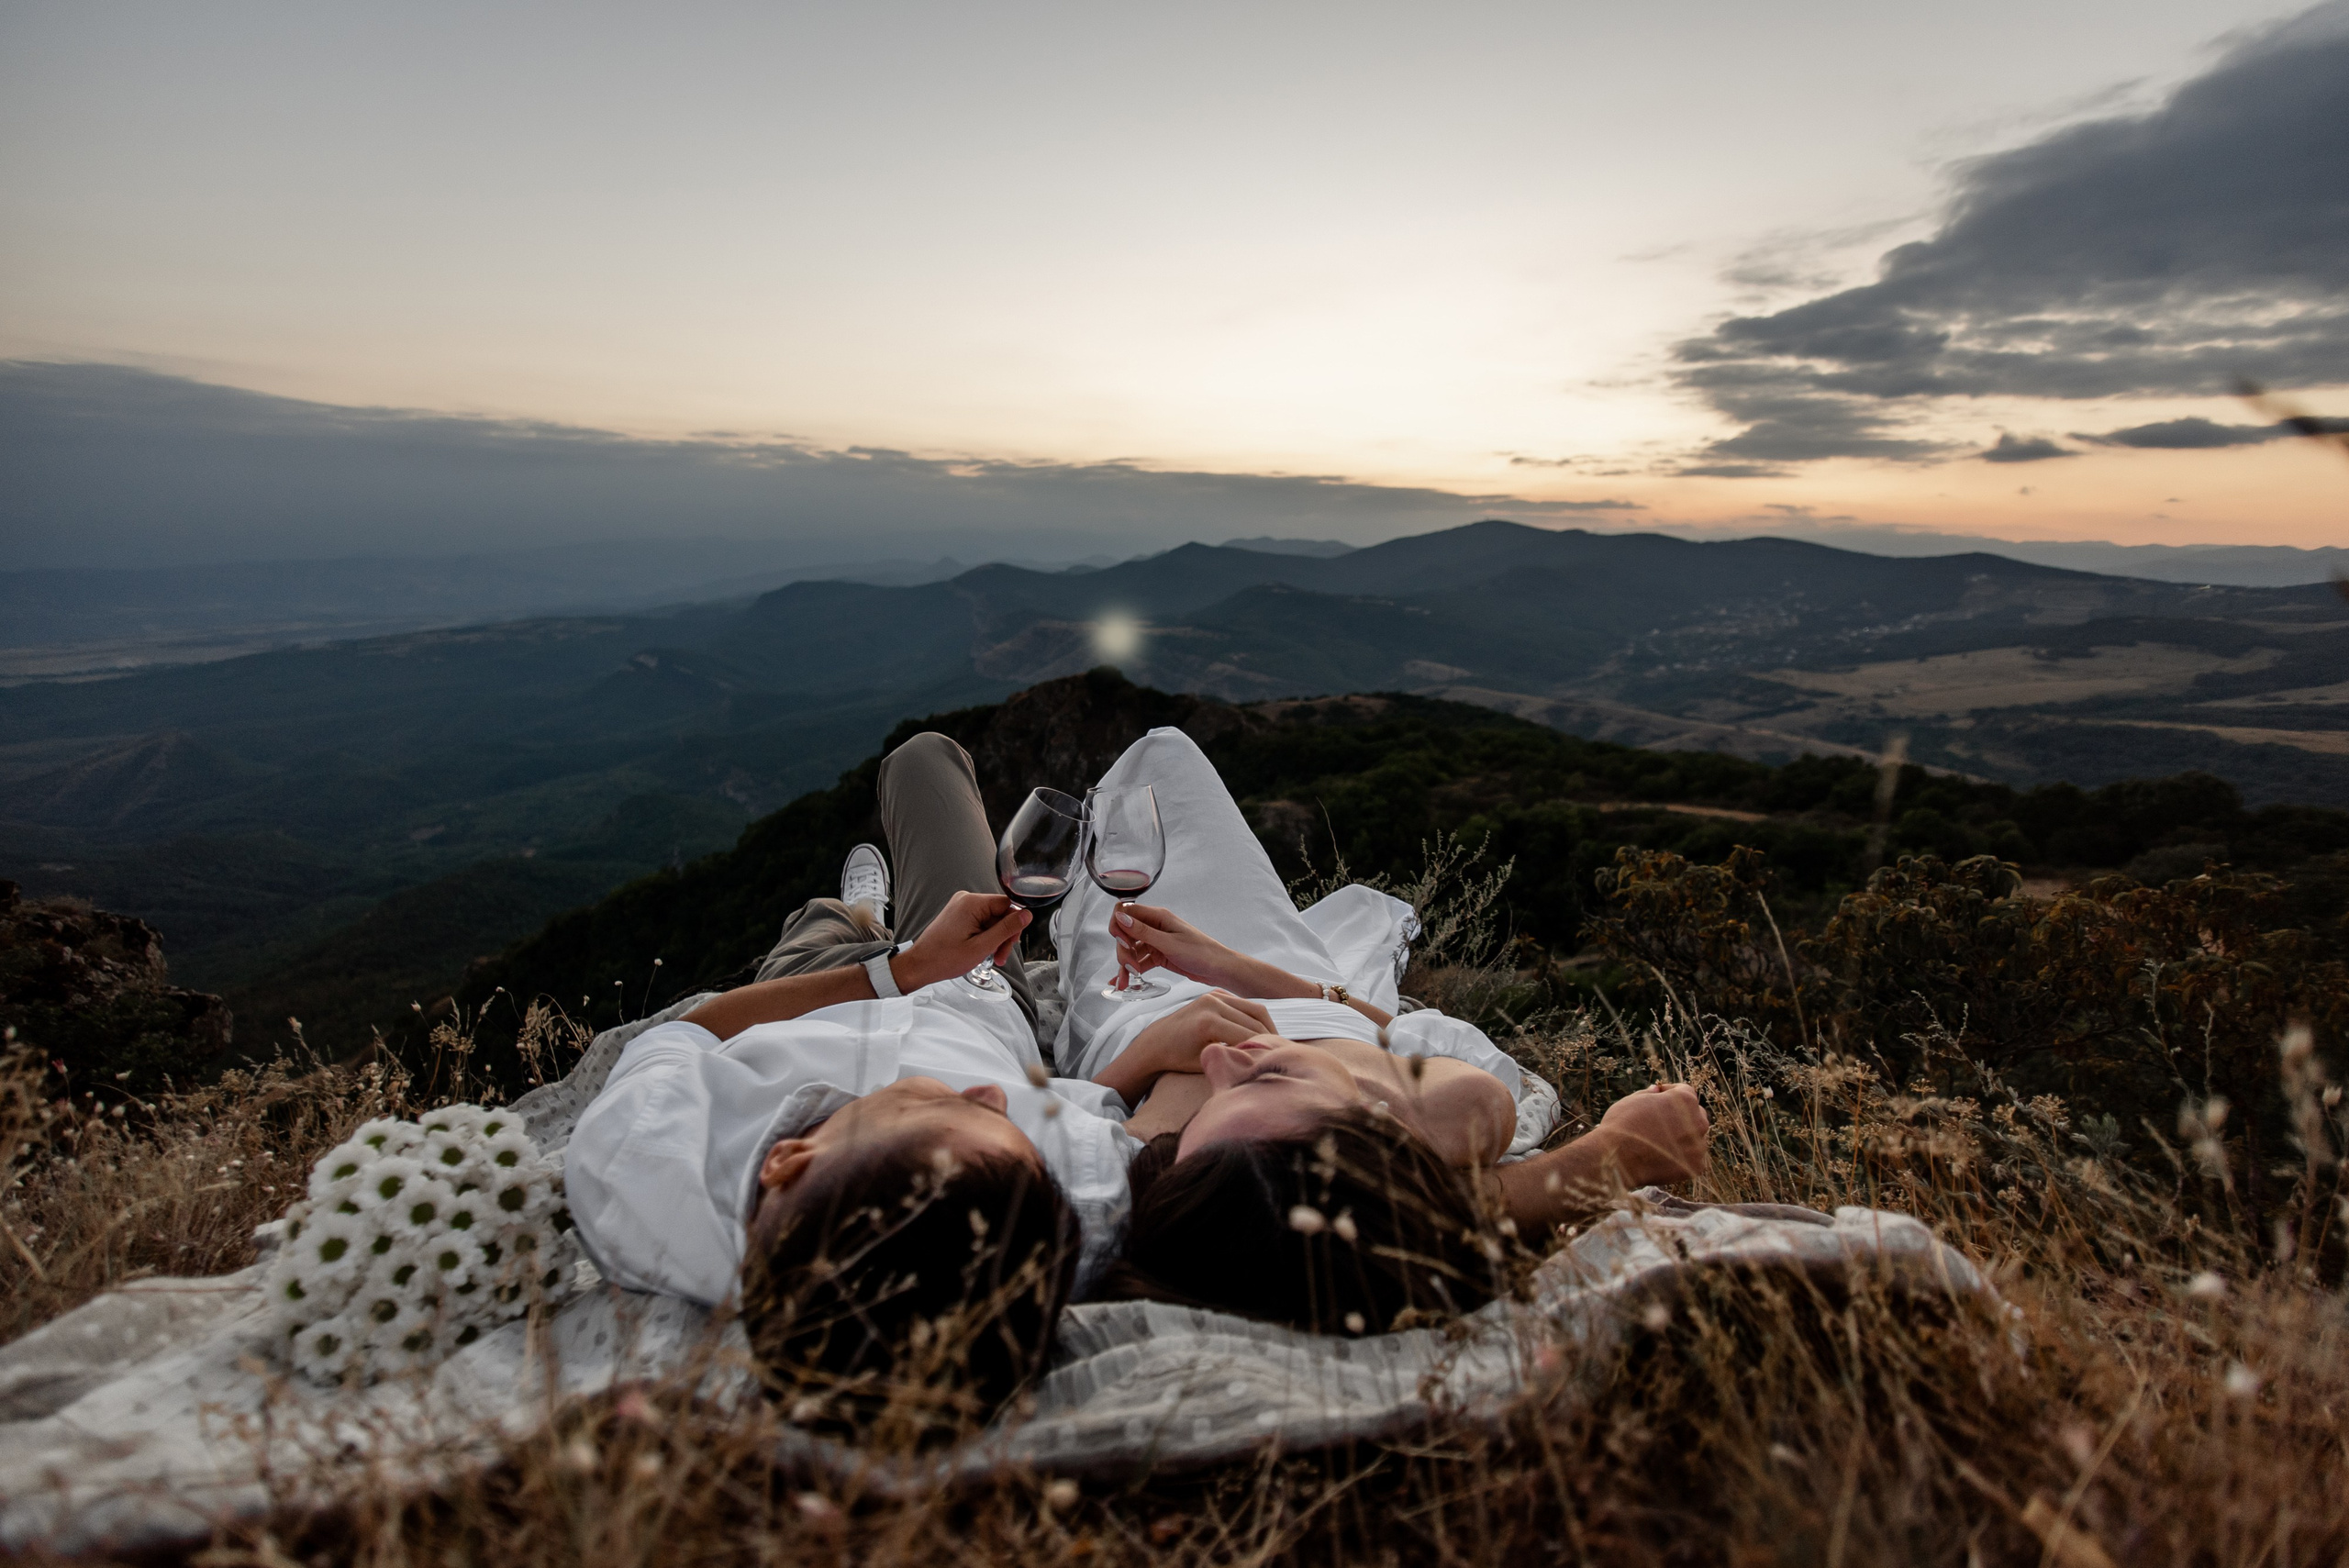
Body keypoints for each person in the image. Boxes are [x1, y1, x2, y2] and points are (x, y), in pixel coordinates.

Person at [562, 732, 1258, 1432]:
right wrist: (1148, 1052)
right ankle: (864, 919)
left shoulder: (641, 1168)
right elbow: (1147, 1118)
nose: (993, 1097)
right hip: (975, 984)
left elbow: (693, 1032)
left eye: (945, 1107)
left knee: (811, 928)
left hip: (805, 997)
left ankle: (851, 917)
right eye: (1009, 1123)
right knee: (925, 758)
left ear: (789, 1158)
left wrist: (895, 972)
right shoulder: (1032, 1231)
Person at [1051, 728, 1712, 1335]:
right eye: (1271, 1071)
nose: (1221, 1056)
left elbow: (1082, 1102)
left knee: (1156, 764)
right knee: (1170, 753)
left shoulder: (1174, 1170)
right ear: (1376, 1123)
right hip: (1284, 974)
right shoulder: (1466, 1110)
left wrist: (1156, 1047)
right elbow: (1417, 1213)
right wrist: (1610, 1154)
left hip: (1138, 996)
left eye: (1218, 1088)